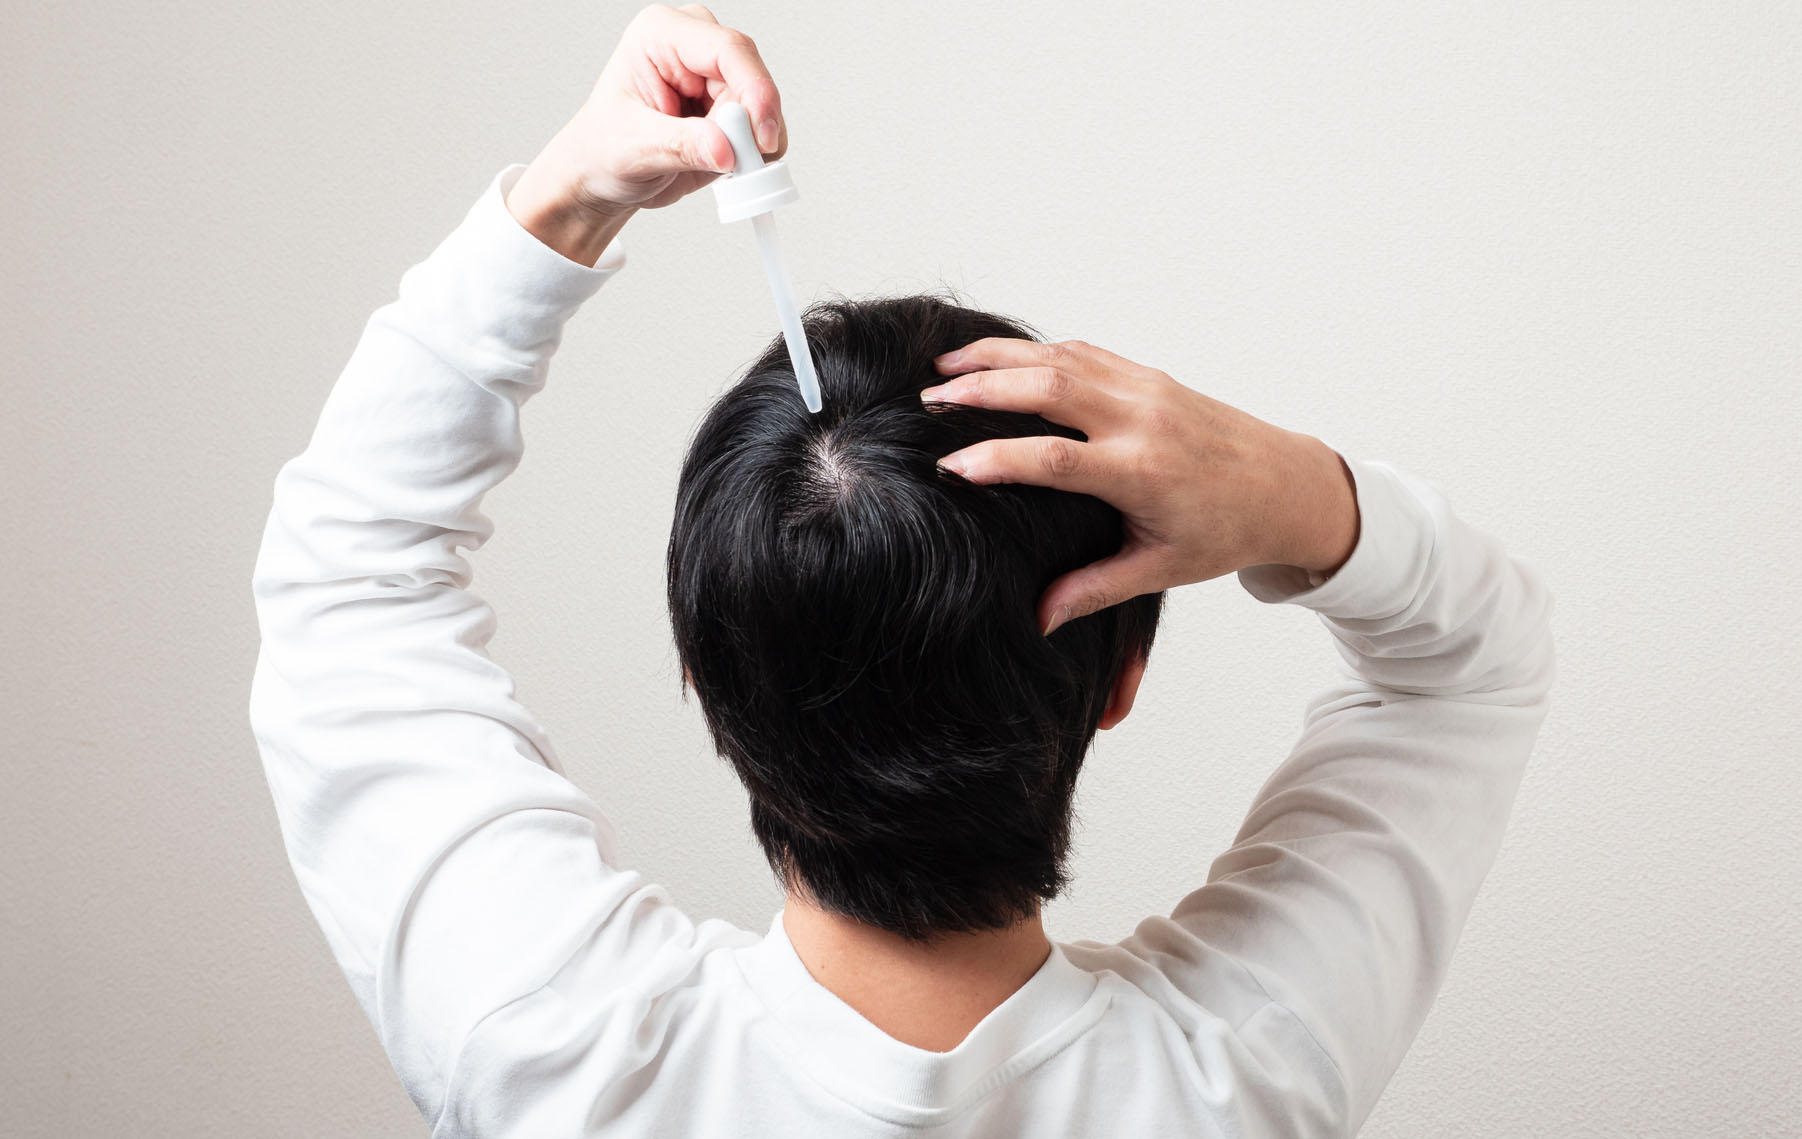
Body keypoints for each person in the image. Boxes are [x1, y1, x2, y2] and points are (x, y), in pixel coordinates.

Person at [248, 5, 1557, 1135]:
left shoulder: (555, 1052)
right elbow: (1467, 671)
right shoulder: (1245, 1075)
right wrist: (1283, 487)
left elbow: (348, 576)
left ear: (703, 676)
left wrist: (562, 199)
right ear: (1122, 678)